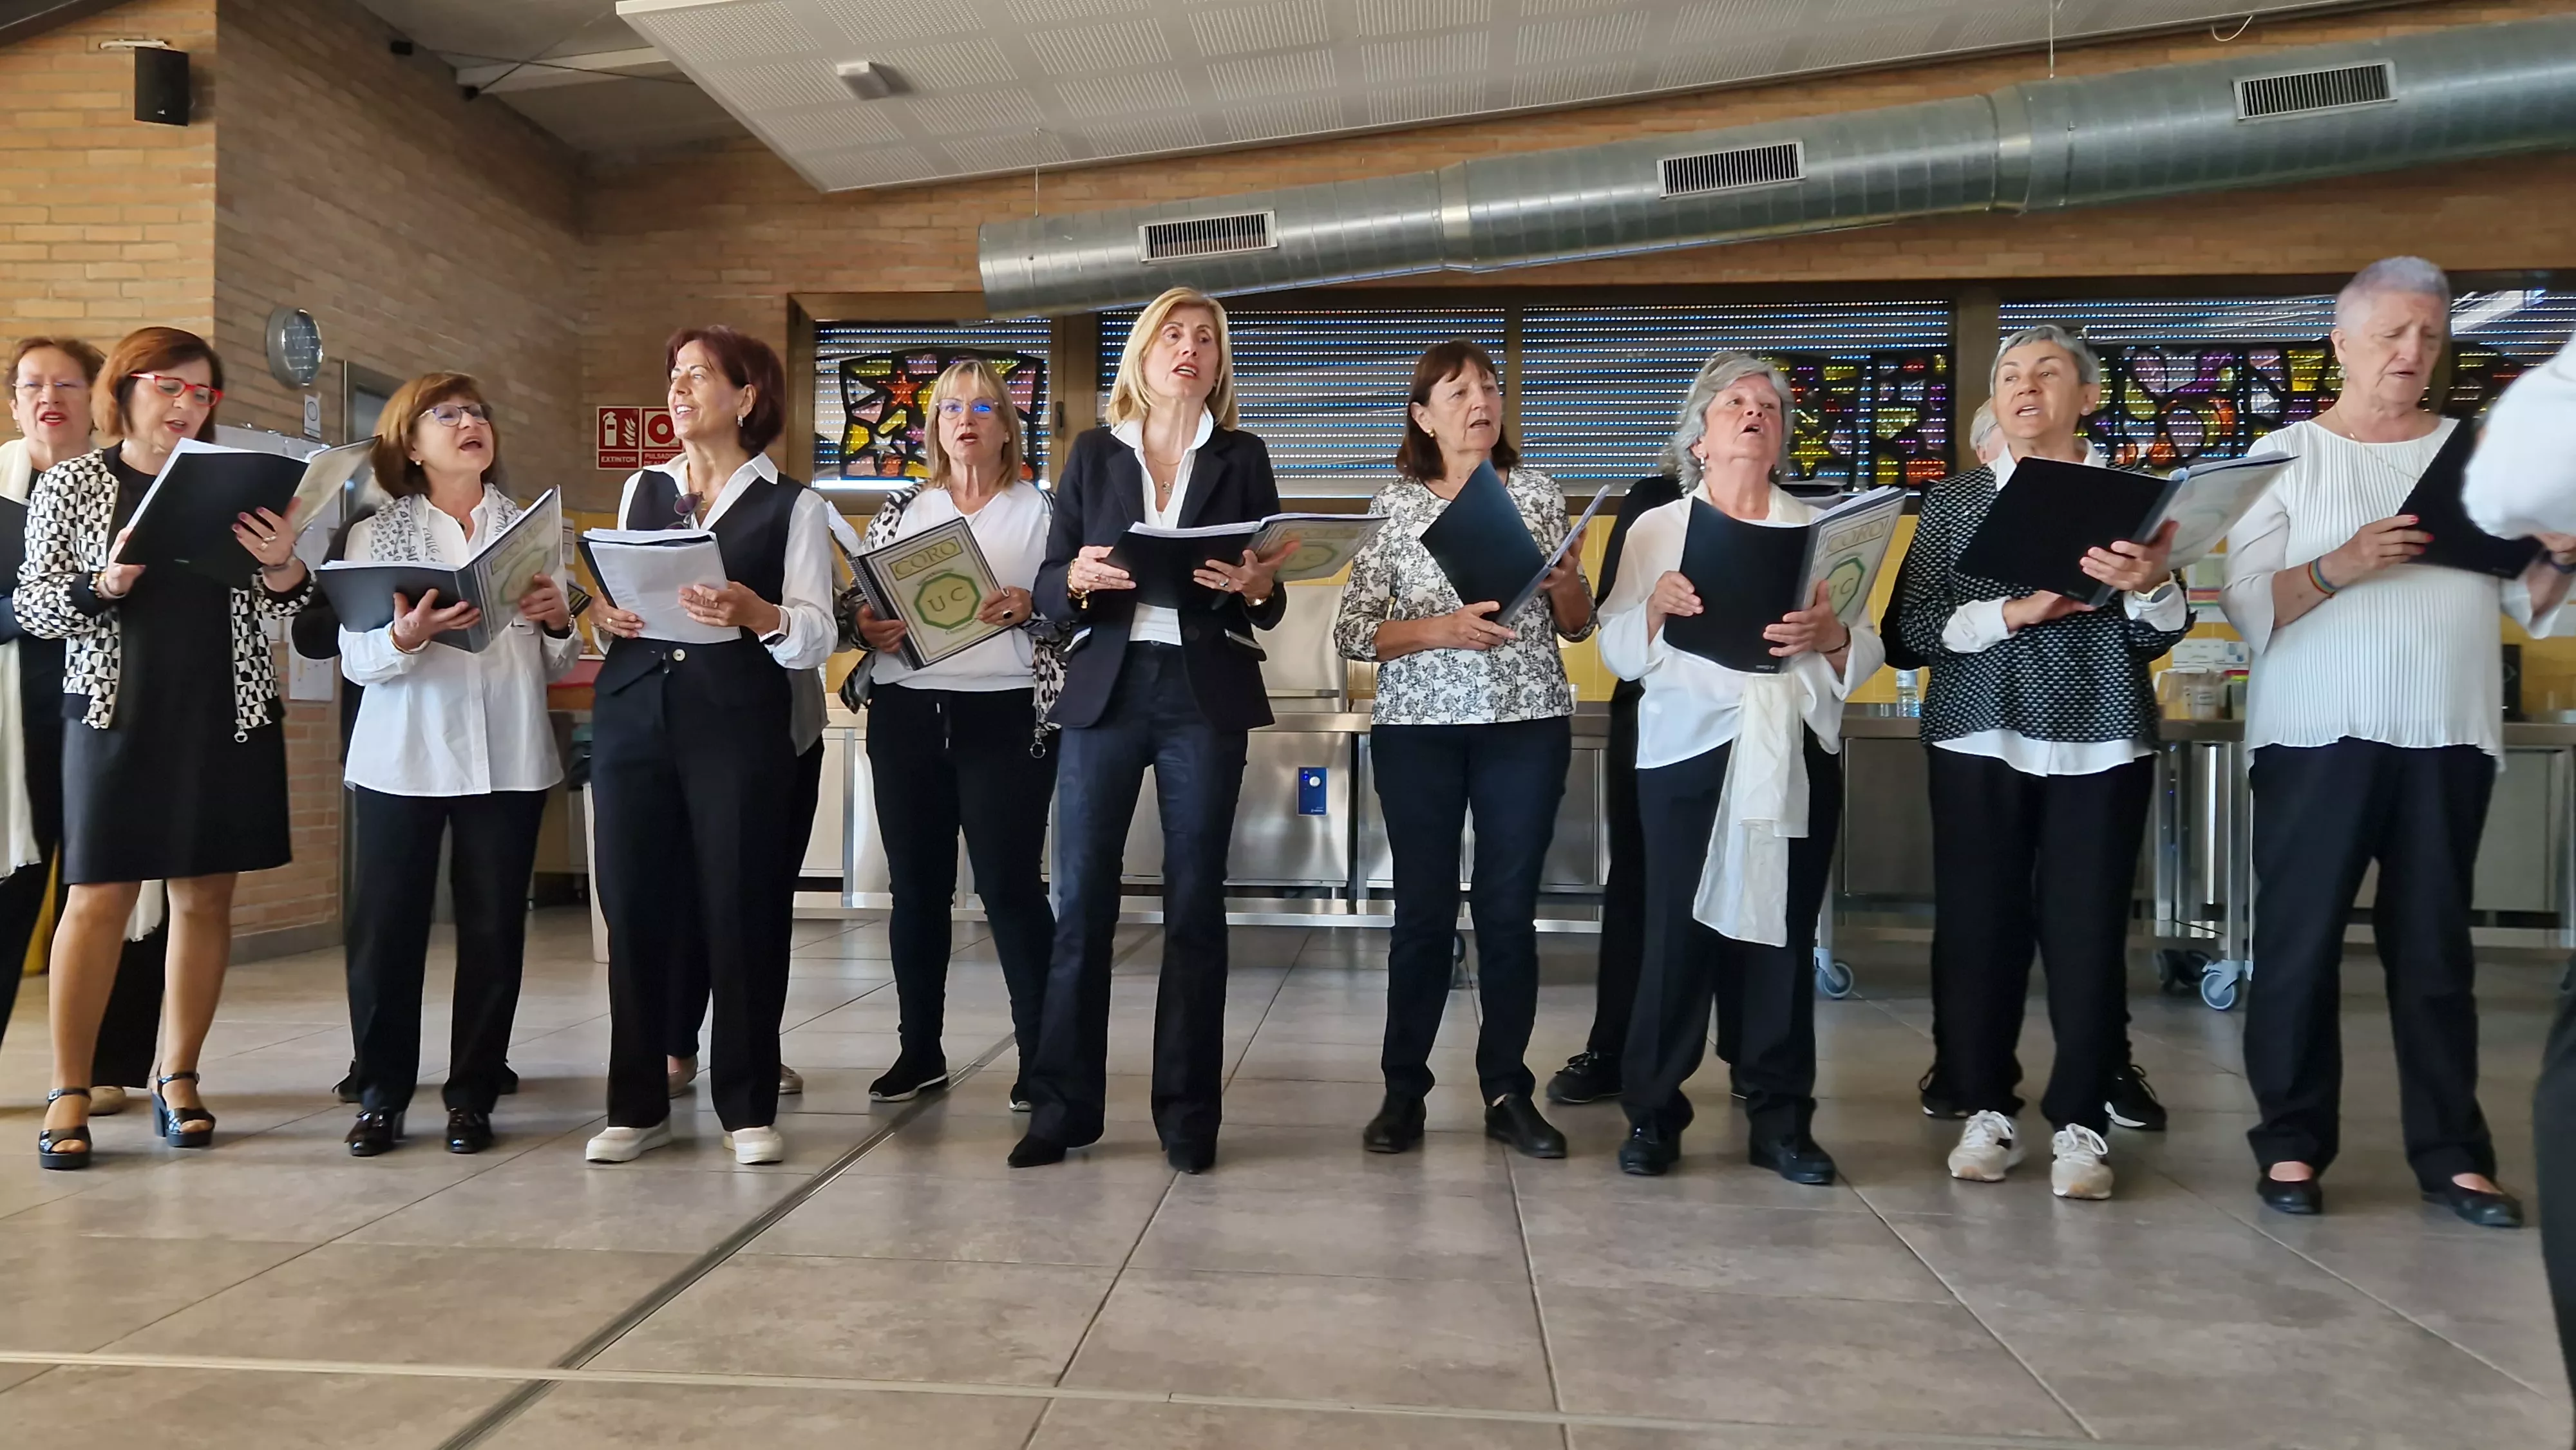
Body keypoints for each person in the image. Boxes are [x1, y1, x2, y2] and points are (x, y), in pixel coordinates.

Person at [2220, 257, 2575, 1227]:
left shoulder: (2482, 458)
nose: (2412, 352)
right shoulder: (2282, 455)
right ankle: (2291, 1145)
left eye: (2428, 335)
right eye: (2392, 334)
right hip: (2315, 736)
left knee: (2435, 953)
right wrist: (2343, 563)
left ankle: (2453, 1155)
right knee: (2298, 951)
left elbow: (2532, 606)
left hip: (2447, 734)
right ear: (2341, 343)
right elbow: (2252, 607)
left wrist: (2557, 556)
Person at [1890, 326, 2187, 1201]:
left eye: (2046, 373)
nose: (2026, 388)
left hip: (2101, 733)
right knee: (1980, 932)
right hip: (1980, 734)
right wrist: (2013, 613)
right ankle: (1985, 1108)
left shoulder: (2137, 500)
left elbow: (2160, 634)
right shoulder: (1953, 500)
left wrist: (2153, 586)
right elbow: (1909, 631)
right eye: (2011, 375)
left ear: (2085, 397)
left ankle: (2084, 1123)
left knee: (2089, 934)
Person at [1014, 287, 1293, 1174]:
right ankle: (1062, 1108)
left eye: (1205, 338)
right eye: (1173, 335)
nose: (1190, 349)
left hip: (1201, 691)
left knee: (1195, 905)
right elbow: (1050, 588)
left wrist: (1256, 587)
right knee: (1080, 901)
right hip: (1108, 687)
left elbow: (1268, 587)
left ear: (1219, 364)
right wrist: (1082, 577)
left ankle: (1187, 1116)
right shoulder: (1094, 455)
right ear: (1142, 354)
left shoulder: (1242, 456)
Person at [23, 326, 314, 1168]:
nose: (186, 405)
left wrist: (286, 570)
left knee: (205, 899)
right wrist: (100, 585)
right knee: (97, 900)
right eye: (169, 388)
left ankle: (177, 1076)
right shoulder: (78, 481)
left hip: (223, 711)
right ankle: (70, 1089)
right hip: (116, 715)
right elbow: (37, 608)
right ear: (124, 391)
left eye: (202, 393)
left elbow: (291, 617)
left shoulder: (237, 488)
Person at [1597, 353, 1881, 1183]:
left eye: (1767, 405)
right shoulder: (1658, 527)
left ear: (1782, 434)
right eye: (1734, 404)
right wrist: (1651, 607)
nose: (1753, 412)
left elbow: (1858, 649)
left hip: (1787, 745)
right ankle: (1653, 1110)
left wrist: (1830, 640)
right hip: (1686, 748)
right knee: (1675, 933)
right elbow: (1618, 647)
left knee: (1780, 933)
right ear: (1701, 435)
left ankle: (1779, 1115)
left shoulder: (1827, 529)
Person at [1334, 340, 1595, 1158]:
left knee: (1508, 910)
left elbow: (1581, 623)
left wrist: (1565, 587)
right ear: (1423, 416)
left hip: (1527, 722)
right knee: (1421, 910)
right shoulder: (1395, 506)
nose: (1480, 402)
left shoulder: (1542, 494)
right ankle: (1402, 1090)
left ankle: (1507, 1088)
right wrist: (1438, 630)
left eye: (1488, 387)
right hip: (1420, 730)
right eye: (1457, 392)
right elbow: (1353, 631)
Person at [583, 326, 836, 1169]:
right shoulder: (642, 491)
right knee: (634, 905)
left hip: (737, 722)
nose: (679, 388)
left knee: (741, 906)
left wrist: (756, 614)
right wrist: (607, 616)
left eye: (699, 374)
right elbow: (623, 593)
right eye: (674, 373)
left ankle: (746, 1105)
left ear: (747, 396)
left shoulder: (794, 505)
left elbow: (812, 632)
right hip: (633, 715)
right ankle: (636, 1103)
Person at [334, 373, 578, 1156]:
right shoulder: (375, 535)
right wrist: (406, 637)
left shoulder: (533, 531)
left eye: (478, 412)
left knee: (494, 930)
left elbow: (562, 655)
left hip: (506, 756)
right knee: (386, 932)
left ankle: (472, 1093)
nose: (470, 423)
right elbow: (356, 659)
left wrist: (556, 619)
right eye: (449, 415)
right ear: (411, 441)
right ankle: (380, 1094)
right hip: (401, 757)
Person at [843, 359, 1056, 1109]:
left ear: (1007, 426)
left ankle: (1041, 1056)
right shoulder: (902, 509)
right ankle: (918, 1050)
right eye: (950, 408)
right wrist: (865, 624)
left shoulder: (1045, 511)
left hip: (1004, 714)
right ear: (934, 428)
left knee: (1009, 887)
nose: (965, 418)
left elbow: (1079, 609)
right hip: (906, 712)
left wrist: (1034, 604)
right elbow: (858, 603)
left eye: (983, 407)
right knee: (917, 891)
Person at [0, 337, 166, 1115]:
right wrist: (66, 600)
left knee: (114, 881)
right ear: (13, 400)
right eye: (32, 384)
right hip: (15, 718)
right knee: (10, 887)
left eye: (68, 382)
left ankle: (110, 1067)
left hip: (112, 703)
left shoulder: (130, 487)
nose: (48, 396)